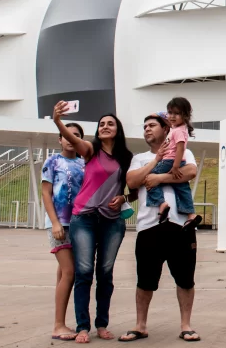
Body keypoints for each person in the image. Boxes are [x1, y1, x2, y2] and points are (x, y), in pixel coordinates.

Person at [52, 102, 133, 344]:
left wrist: (125, 197)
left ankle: (102, 324)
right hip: (84, 218)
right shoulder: (90, 150)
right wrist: (57, 121)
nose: (105, 127)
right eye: (101, 124)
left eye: (110, 123)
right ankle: (83, 326)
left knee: (105, 273)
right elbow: (74, 140)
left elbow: (135, 188)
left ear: (117, 129)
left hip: (112, 221)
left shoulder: (126, 157)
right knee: (84, 273)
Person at [118, 113, 201, 342]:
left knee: (185, 279)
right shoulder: (140, 158)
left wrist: (157, 178)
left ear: (166, 129)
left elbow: (190, 171)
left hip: (181, 225)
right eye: (144, 126)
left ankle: (186, 325)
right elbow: (133, 181)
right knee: (145, 280)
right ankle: (140, 325)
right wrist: (155, 163)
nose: (147, 129)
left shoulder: (184, 151)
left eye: (152, 125)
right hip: (149, 226)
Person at [42, 122, 85, 341]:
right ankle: (58, 325)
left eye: (75, 135)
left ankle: (62, 322)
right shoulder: (52, 161)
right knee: (69, 272)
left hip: (79, 223)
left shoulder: (83, 163)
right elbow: (46, 193)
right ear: (60, 139)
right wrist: (55, 222)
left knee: (64, 273)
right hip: (59, 224)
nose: (70, 138)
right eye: (66, 135)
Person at [145, 98, 202, 230]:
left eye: (176, 114)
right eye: (170, 113)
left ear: (185, 115)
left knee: (150, 177)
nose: (171, 116)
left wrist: (175, 166)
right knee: (182, 187)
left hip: (170, 161)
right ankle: (191, 214)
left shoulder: (178, 130)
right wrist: (156, 114)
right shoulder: (177, 126)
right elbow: (163, 115)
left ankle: (161, 203)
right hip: (175, 161)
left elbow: (180, 148)